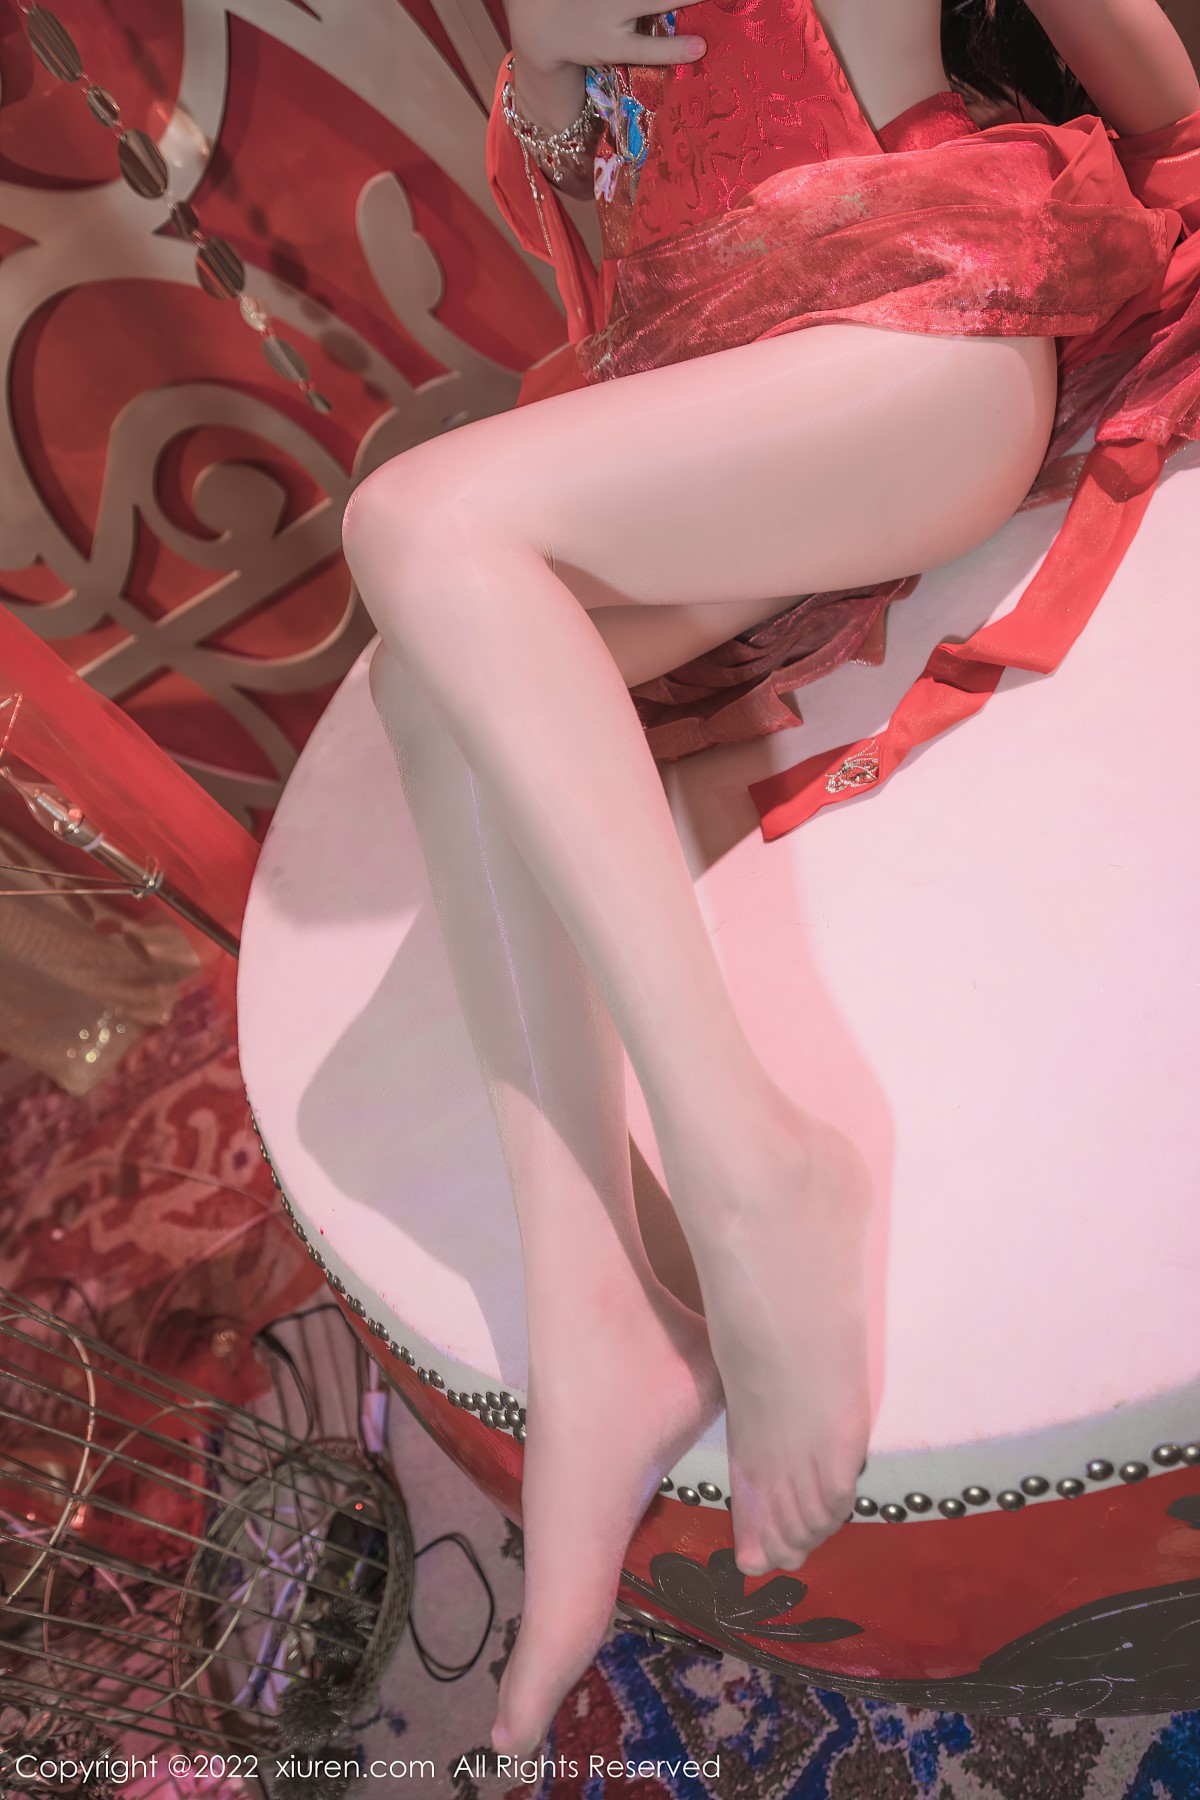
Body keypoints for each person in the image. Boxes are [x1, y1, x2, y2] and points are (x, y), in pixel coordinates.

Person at [341, 0, 1200, 1756]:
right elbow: (618, 228)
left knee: (412, 523)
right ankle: (597, 1308)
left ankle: (751, 1172)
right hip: (735, 403)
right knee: (433, 664)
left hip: (922, 341)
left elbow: (1162, 96)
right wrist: (554, 71)